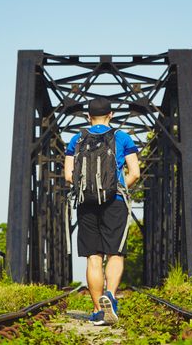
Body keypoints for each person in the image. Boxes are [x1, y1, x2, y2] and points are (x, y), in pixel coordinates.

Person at [64, 97, 140, 326]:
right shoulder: (122, 137)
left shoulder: (77, 139)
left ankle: (98, 310)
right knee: (114, 253)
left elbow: (68, 176)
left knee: (93, 257)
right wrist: (118, 188)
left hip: (86, 202)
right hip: (114, 201)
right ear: (111, 115)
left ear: (88, 117)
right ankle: (111, 296)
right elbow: (135, 172)